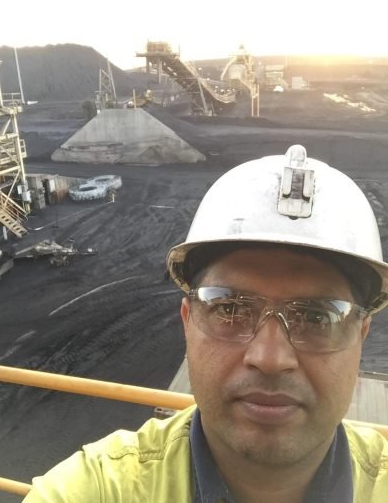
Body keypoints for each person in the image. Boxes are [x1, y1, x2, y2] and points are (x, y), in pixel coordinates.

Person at [24, 145, 388, 502]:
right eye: (230, 309)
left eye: (317, 317)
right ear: (188, 324)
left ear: (361, 335)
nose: (270, 359)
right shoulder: (99, 490)